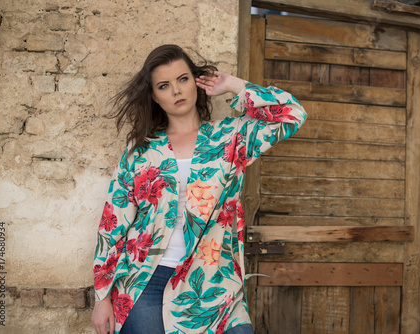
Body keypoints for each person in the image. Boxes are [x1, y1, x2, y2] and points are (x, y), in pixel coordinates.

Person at [91, 44, 306, 334]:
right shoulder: (140, 152)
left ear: (196, 82)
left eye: (183, 79)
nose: (177, 91)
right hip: (144, 281)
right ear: (155, 96)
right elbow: (112, 223)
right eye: (164, 86)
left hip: (214, 280)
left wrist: (232, 85)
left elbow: (292, 114)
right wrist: (102, 296)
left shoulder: (230, 137)